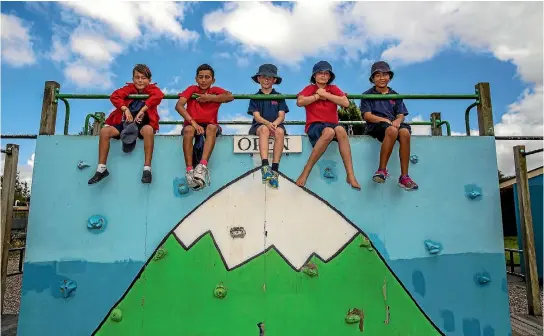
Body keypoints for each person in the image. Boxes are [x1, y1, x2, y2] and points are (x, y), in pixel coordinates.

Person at [88, 64, 164, 185]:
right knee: (104, 131)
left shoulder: (152, 90)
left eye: (143, 78)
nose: (140, 80)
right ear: (133, 79)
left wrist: (143, 110)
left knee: (149, 130)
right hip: (125, 125)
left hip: (142, 126)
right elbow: (115, 96)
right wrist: (125, 109)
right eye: (137, 77)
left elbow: (159, 95)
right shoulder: (128, 89)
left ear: (149, 80)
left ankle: (147, 169)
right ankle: (101, 168)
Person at [295, 60, 361, 190]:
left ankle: (350, 175)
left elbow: (345, 103)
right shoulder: (310, 88)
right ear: (314, 75)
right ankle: (306, 171)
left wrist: (326, 95)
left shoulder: (333, 89)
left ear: (330, 76)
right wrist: (316, 97)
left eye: (326, 73)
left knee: (341, 129)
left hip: (332, 124)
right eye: (320, 73)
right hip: (315, 125)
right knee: (329, 132)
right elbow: (300, 101)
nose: (323, 75)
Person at [360, 61, 418, 191]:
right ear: (373, 79)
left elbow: (401, 114)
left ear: (389, 77)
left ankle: (404, 177)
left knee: (404, 133)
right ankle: (381, 170)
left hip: (393, 123)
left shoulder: (395, 95)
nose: (381, 78)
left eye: (385, 74)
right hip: (377, 125)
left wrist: (398, 120)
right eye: (378, 75)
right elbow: (367, 115)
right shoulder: (367, 95)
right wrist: (384, 120)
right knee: (392, 130)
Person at [175, 64, 234, 190]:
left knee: (212, 128)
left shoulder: (215, 90)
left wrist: (209, 98)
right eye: (200, 77)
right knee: (188, 130)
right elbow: (179, 106)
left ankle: (202, 166)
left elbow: (230, 96)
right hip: (192, 123)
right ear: (196, 79)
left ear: (213, 80)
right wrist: (193, 123)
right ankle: (190, 170)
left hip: (210, 125)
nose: (203, 80)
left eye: (207, 77)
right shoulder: (192, 89)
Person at [247, 64, 289, 189]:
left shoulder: (279, 97)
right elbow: (256, 116)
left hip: (276, 125)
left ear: (274, 80)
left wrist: (275, 124)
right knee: (264, 130)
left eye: (270, 77)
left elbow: (281, 115)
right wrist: (267, 123)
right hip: (260, 126)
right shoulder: (254, 97)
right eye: (264, 77)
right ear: (258, 79)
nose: (266, 80)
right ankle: (265, 166)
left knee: (280, 132)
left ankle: (274, 169)